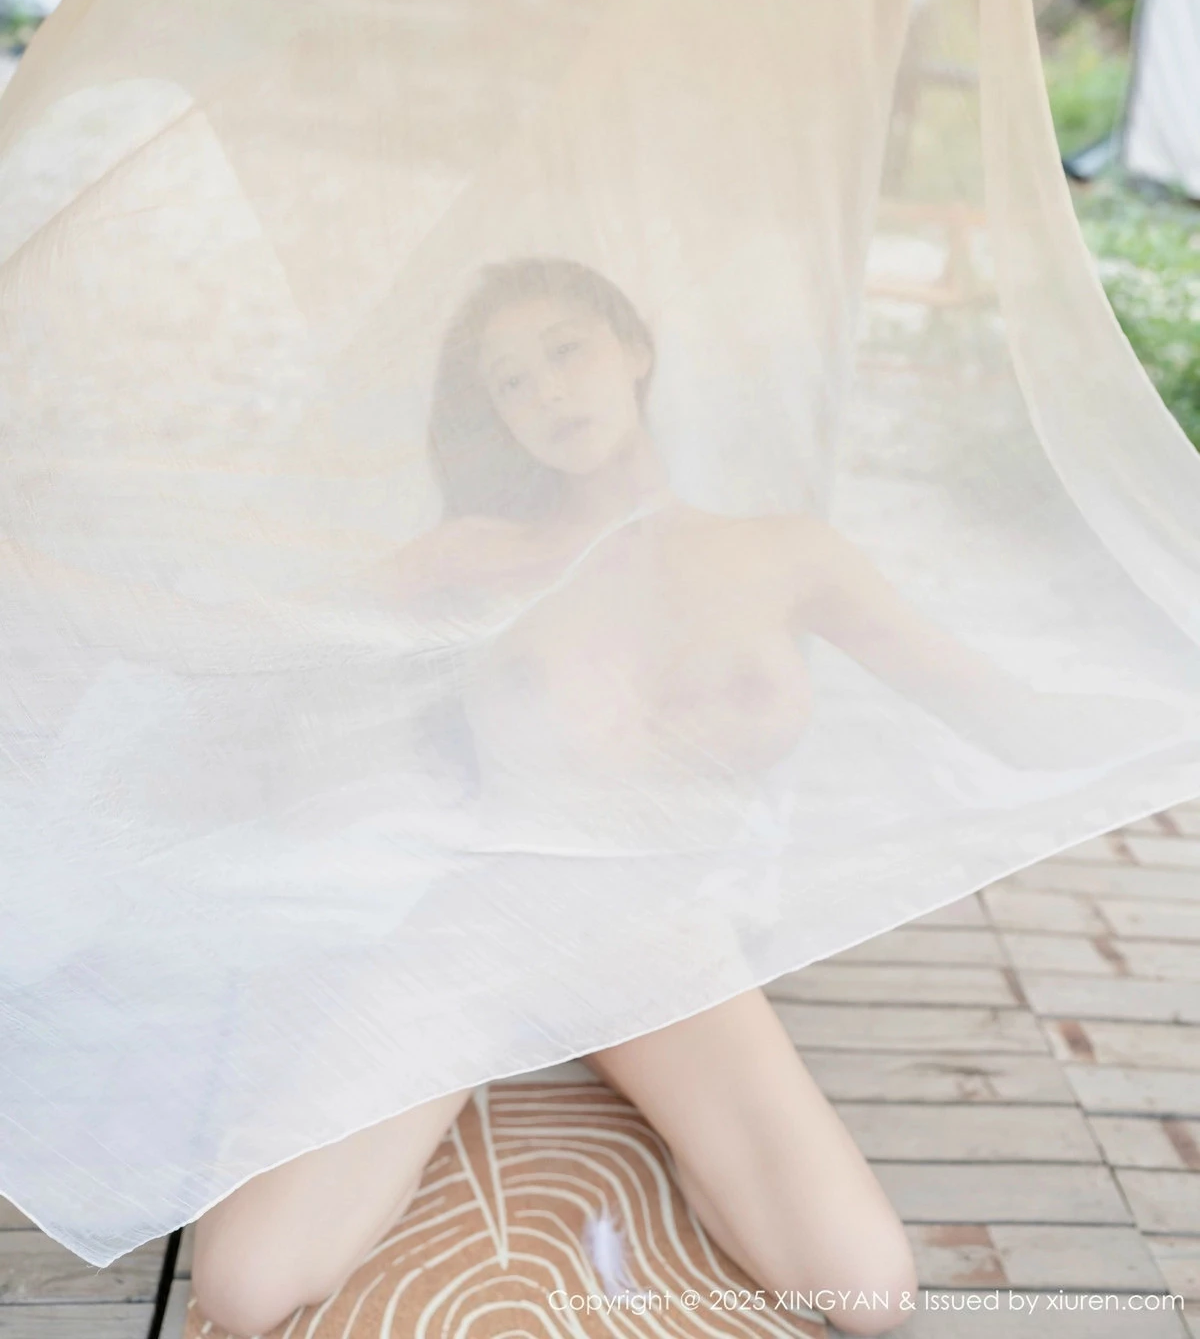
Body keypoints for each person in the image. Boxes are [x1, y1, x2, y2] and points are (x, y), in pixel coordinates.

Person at [190, 256, 1157, 1338]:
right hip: (485, 922)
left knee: (868, 1290)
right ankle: (488, 1077)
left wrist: (1164, 717)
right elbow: (273, 645)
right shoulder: (475, 556)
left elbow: (1001, 712)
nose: (549, 392)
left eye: (566, 350)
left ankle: (652, 1105)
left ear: (635, 350)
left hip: (661, 937)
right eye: (511, 382)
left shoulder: (784, 553)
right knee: (244, 1285)